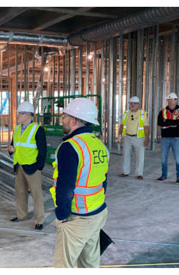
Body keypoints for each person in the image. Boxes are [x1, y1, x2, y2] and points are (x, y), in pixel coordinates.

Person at [50, 98, 109, 268]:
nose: (63, 120)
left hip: (78, 217)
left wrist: (61, 215)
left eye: (65, 116)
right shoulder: (100, 145)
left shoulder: (70, 147)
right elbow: (103, 181)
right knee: (90, 264)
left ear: (73, 120)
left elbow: (65, 188)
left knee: (63, 266)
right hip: (98, 212)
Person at [7, 102, 47, 230]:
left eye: (21, 113)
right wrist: (10, 150)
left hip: (32, 167)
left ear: (29, 115)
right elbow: (14, 145)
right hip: (19, 165)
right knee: (20, 193)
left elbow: (43, 151)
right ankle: (21, 215)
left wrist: (38, 167)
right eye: (18, 113)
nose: (18, 115)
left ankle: (39, 220)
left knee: (36, 195)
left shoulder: (37, 129)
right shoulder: (17, 129)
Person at [157, 93, 179, 184]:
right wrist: (173, 121)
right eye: (169, 100)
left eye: (172, 100)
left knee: (178, 158)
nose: (170, 102)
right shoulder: (162, 111)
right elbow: (160, 123)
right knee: (163, 158)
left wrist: (167, 122)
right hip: (165, 138)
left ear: (176, 100)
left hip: (175, 138)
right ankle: (164, 176)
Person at [118, 96, 149, 180]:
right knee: (126, 155)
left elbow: (146, 127)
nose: (132, 105)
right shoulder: (126, 113)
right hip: (127, 137)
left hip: (138, 138)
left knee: (140, 156)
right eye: (131, 103)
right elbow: (122, 125)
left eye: (135, 103)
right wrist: (120, 135)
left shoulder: (142, 114)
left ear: (138, 104)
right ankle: (125, 172)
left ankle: (139, 173)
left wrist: (147, 138)